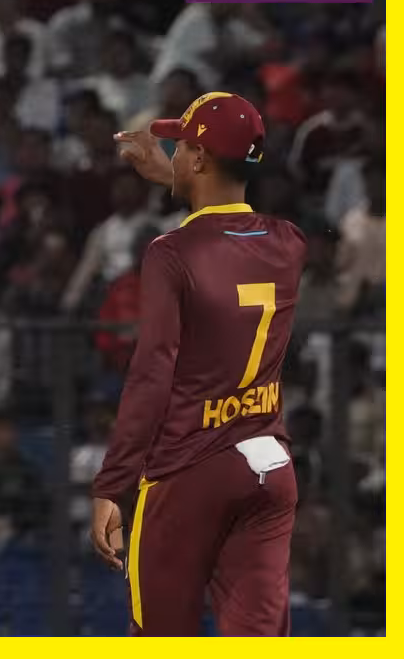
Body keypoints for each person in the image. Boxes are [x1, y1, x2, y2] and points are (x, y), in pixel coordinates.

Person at [95, 93, 307, 636]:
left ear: (198, 159)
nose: (174, 151)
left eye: (182, 145)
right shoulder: (289, 243)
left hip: (190, 469)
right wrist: (177, 177)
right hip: (269, 468)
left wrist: (111, 485)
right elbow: (227, 236)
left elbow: (151, 375)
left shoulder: (170, 253)